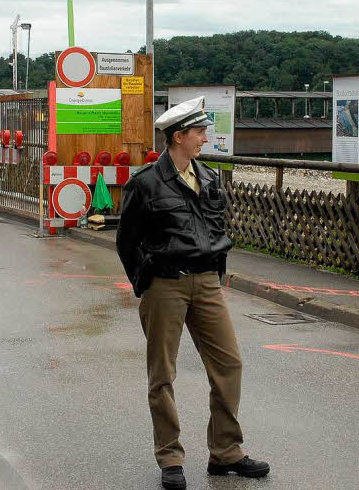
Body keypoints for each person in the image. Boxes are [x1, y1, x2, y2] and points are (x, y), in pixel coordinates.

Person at [117, 96, 269, 490]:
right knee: (162, 374)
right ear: (179, 136)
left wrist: (216, 273)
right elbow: (126, 240)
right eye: (199, 132)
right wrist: (145, 282)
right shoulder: (146, 182)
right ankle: (170, 457)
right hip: (165, 284)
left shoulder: (209, 177)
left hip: (206, 283)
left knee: (229, 364)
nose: (205, 137)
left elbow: (215, 228)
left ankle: (226, 452)